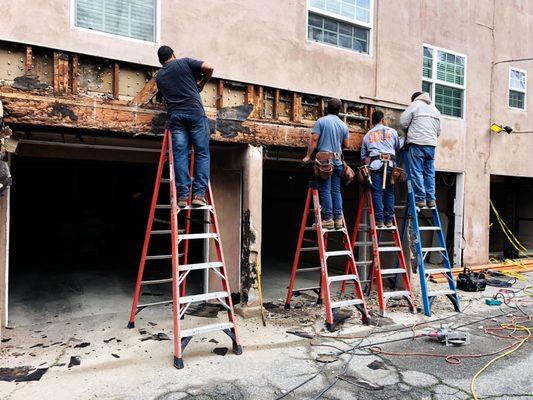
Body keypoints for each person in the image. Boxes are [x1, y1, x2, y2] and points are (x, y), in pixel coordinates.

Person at [156, 45, 214, 207]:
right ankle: (199, 194)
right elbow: (209, 67)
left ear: (161, 61)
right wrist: (202, 83)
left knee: (180, 155)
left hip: (176, 117)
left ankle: (182, 196)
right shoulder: (184, 62)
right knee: (202, 153)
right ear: (173, 55)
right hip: (194, 114)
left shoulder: (159, 77)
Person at [302, 98, 349, 230]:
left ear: (327, 108)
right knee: (336, 190)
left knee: (325, 190)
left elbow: (314, 138)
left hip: (325, 162)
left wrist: (307, 156)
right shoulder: (343, 125)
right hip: (338, 161)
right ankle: (338, 219)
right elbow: (346, 144)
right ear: (339, 110)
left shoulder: (321, 121)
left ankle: (328, 219)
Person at [361, 111, 403, 228]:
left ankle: (379, 220)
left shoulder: (368, 135)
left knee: (377, 192)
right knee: (389, 192)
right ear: (382, 120)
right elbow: (398, 146)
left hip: (375, 165)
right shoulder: (392, 132)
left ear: (372, 121)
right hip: (390, 164)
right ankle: (389, 220)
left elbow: (364, 156)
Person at [399, 91, 442, 208]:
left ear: (414, 99)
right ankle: (431, 199)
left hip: (417, 143)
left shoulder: (415, 105)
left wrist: (408, 130)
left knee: (416, 171)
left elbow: (403, 122)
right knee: (429, 172)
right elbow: (439, 131)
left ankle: (420, 199)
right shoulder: (435, 109)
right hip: (431, 144)